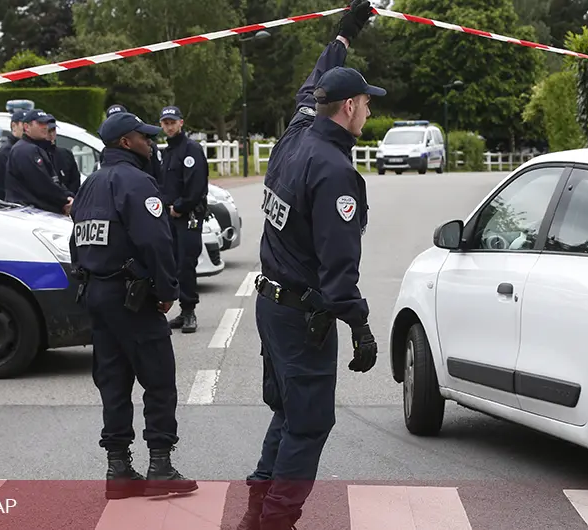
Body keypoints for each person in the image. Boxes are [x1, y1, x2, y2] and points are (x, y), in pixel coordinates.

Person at [239, 2, 379, 529]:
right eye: (365, 104)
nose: (368, 112)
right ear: (347, 108)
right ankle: (275, 521)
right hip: (303, 318)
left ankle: (257, 515)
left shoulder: (296, 135)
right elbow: (339, 267)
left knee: (288, 413)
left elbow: (311, 83)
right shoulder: (336, 172)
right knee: (309, 424)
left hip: (271, 308)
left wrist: (344, 36)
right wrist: (360, 324)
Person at [69, 110, 197, 500]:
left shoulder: (91, 183)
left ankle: (119, 468)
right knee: (158, 380)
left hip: (98, 296)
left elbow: (77, 240)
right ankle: (160, 465)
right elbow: (156, 242)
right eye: (144, 137)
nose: (151, 141)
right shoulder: (137, 182)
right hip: (132, 297)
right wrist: (166, 290)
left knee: (113, 382)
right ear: (126, 142)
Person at [158, 105, 209, 334]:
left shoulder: (191, 150)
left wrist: (180, 206)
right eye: (165, 123)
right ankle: (182, 308)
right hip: (169, 217)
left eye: (172, 122)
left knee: (186, 263)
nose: (169, 126)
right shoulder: (167, 152)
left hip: (186, 217)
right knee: (174, 264)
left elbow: (196, 186)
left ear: (181, 123)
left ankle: (189, 310)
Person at [5, 109, 74, 215]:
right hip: (29, 215)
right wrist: (65, 199)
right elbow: (42, 184)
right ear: (27, 127)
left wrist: (67, 195)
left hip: (36, 213)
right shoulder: (25, 150)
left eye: (46, 123)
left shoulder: (37, 148)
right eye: (40, 123)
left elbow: (53, 180)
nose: (45, 126)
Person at [103, 104, 163, 184]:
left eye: (122, 118)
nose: (148, 141)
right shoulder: (105, 154)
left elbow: (159, 173)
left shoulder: (149, 147)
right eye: (113, 118)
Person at [0, 109, 25, 200]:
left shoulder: (24, 147)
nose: (27, 128)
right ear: (14, 126)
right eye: (24, 125)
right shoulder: (8, 151)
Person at [47, 125, 83, 195]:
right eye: (48, 131)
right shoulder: (37, 154)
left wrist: (70, 198)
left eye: (53, 130)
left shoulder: (65, 154)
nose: (51, 134)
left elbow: (75, 181)